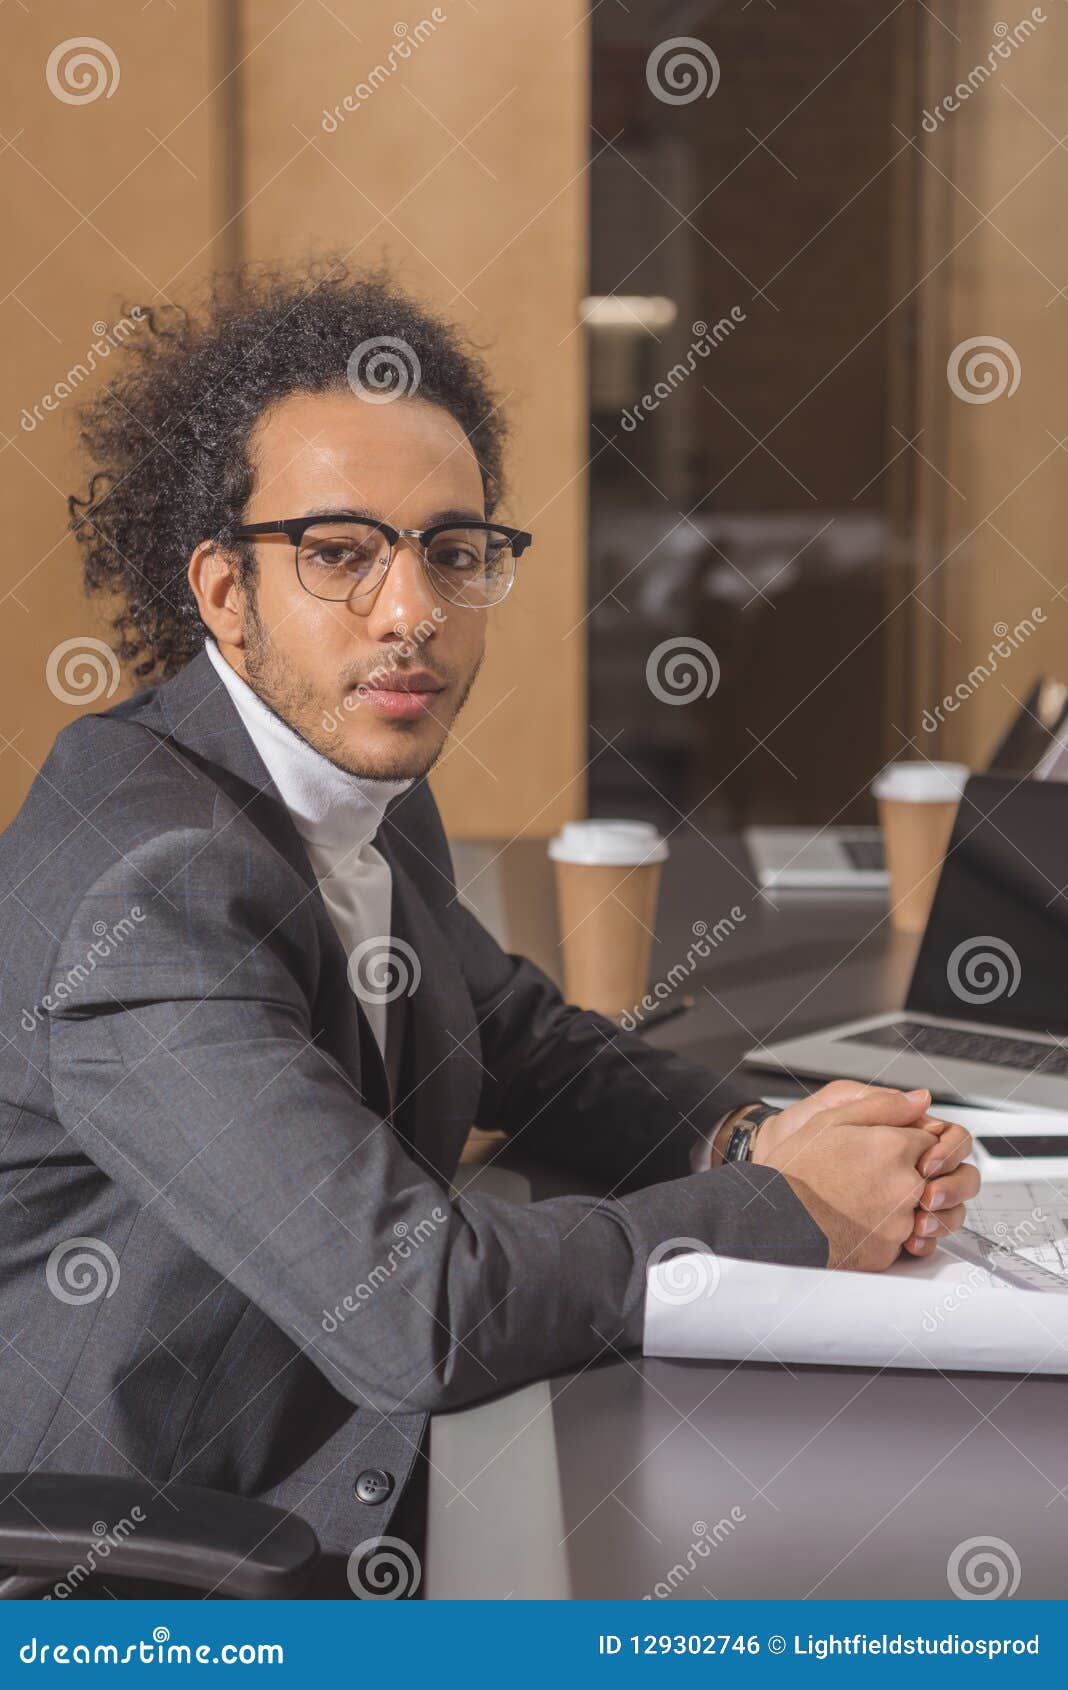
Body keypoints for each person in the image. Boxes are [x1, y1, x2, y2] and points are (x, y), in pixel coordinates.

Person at [0, 262, 977, 1594]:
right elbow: (410, 1305)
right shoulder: (151, 883)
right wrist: (791, 1208)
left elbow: (520, 1034)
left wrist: (755, 1132)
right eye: (340, 553)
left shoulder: (353, 781)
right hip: (158, 1564)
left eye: (453, 553)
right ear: (223, 590)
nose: (412, 612)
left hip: (347, 1470)